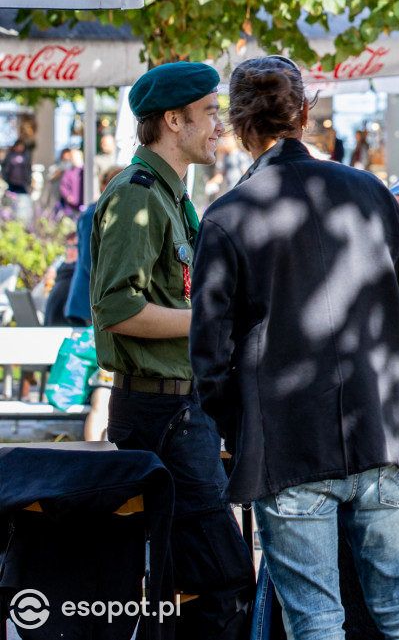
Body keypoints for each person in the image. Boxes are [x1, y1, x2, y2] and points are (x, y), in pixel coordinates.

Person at [190, 55, 399, 640]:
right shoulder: (370, 192)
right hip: (382, 428)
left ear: (235, 124)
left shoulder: (228, 216)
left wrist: (241, 423)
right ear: (305, 115)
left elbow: (208, 356)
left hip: (286, 441)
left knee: (316, 620)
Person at [90, 61, 255, 638]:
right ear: (173, 120)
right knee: (222, 580)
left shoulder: (167, 194)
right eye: (210, 113)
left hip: (183, 411)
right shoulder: (137, 197)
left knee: (189, 582)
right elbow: (117, 310)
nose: (221, 126)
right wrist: (209, 322)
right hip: (162, 414)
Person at [66, 166, 120, 441]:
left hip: (87, 304)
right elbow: (96, 263)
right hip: (97, 307)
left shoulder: (89, 212)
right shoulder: (103, 212)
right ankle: (96, 458)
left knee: (102, 392)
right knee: (102, 393)